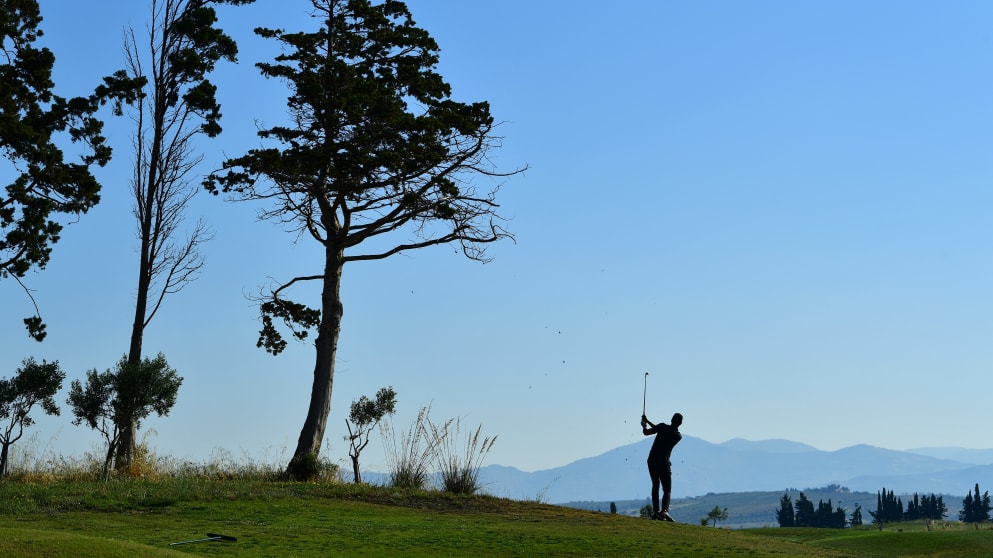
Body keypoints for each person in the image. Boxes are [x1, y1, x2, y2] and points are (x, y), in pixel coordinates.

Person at [641, 412, 683, 522]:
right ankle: (664, 511)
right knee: (667, 489)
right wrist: (648, 421)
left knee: (655, 485)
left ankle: (656, 512)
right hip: (664, 462)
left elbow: (647, 432)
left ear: (671, 419)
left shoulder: (662, 427)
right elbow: (661, 429)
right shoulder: (678, 436)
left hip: (652, 460)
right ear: (680, 423)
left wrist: (644, 424)